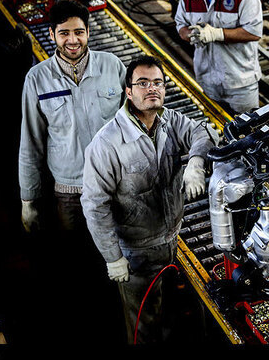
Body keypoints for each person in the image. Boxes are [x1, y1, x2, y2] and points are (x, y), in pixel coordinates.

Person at [81, 55, 218, 344]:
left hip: (172, 242)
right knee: (144, 326)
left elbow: (202, 132)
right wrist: (113, 258)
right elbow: (95, 206)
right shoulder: (107, 144)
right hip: (135, 255)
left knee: (172, 316)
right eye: (143, 83)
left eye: (158, 82)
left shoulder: (170, 121)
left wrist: (195, 162)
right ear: (128, 92)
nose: (152, 88)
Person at [18, 0, 126, 233]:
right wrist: (28, 199)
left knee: (119, 246)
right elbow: (30, 143)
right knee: (77, 249)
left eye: (79, 32)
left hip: (115, 185)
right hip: (70, 194)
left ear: (88, 32)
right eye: (64, 33)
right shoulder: (37, 79)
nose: (73, 40)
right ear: (52, 35)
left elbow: (136, 125)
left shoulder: (112, 66)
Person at [174, 0, 263, 115]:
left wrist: (216, 34)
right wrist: (191, 34)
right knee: (214, 127)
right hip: (207, 81)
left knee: (248, 129)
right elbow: (180, 24)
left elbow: (253, 32)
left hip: (241, 85)